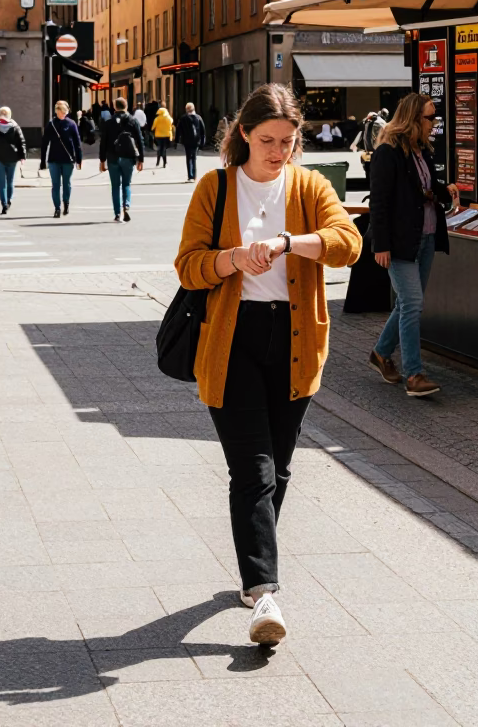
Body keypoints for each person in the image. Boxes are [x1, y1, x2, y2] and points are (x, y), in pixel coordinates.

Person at [175, 84, 361, 645]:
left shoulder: (307, 185)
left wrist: (288, 242)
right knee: (252, 471)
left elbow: (347, 242)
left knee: (278, 468)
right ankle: (263, 592)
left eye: (287, 140)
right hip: (231, 340)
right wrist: (233, 258)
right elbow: (188, 267)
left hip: (296, 338)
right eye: (267, 141)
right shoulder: (216, 186)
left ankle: (258, 564)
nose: (278, 151)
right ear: (242, 137)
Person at [369, 92, 459, 397]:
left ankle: (381, 354)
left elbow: (424, 188)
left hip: (427, 236)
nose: (434, 123)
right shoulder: (388, 151)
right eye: (430, 117)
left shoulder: (422, 150)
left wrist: (444, 190)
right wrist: (380, 244)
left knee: (408, 303)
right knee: (413, 304)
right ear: (412, 118)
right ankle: (415, 374)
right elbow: (379, 202)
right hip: (400, 242)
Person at [99, 97, 144, 222]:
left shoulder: (108, 122)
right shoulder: (132, 121)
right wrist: (141, 159)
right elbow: (140, 141)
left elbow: (103, 143)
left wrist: (102, 160)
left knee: (115, 186)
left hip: (112, 157)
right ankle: (126, 206)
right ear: (126, 106)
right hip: (128, 157)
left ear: (115, 107)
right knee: (126, 184)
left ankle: (117, 213)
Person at [40, 101, 82, 218]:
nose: (62, 115)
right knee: (56, 184)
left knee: (66, 183)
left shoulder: (71, 124)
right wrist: (43, 160)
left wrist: (79, 159)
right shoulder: (51, 124)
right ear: (56, 112)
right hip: (54, 159)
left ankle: (66, 204)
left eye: (64, 113)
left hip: (68, 159)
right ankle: (57, 208)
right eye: (60, 112)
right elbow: (44, 143)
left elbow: (77, 143)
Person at [0, 106, 27, 214]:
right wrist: (23, 156)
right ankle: (9, 200)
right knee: (10, 181)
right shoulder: (14, 126)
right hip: (12, 157)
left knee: (1, 182)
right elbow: (21, 141)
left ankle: (3, 204)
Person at [176, 102, 206, 182]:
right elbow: (203, 131)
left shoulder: (183, 118)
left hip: (186, 141)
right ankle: (195, 176)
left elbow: (178, 130)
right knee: (194, 158)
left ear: (186, 109)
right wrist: (202, 142)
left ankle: (190, 176)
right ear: (194, 109)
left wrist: (177, 140)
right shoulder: (198, 118)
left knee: (188, 157)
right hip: (196, 141)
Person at [152, 102, 174, 168]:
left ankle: (158, 162)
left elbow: (153, 127)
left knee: (159, 148)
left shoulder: (157, 119)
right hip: (167, 135)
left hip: (158, 136)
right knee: (164, 149)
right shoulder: (169, 118)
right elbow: (172, 123)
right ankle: (165, 163)